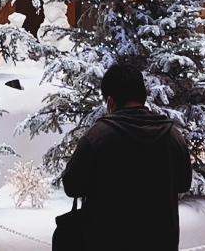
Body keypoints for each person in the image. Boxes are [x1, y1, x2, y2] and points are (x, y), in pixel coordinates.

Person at [61, 63, 192, 251]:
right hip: (161, 242)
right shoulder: (172, 135)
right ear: (143, 96)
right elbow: (184, 184)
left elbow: (72, 186)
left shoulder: (97, 136)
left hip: (106, 242)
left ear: (110, 102)